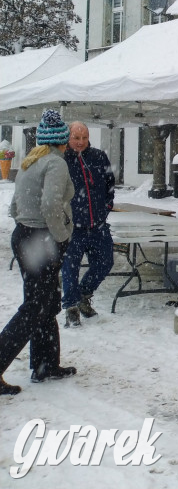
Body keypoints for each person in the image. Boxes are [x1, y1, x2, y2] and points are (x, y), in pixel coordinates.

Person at [0, 109, 78, 395]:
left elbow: (13, 207)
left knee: (44, 302)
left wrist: (31, 227)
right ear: (62, 140)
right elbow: (49, 206)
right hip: (40, 240)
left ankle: (46, 364)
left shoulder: (31, 160)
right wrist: (61, 237)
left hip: (24, 236)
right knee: (35, 306)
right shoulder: (56, 164)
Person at [61, 122, 116, 326]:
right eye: (76, 138)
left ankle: (84, 294)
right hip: (72, 227)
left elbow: (110, 183)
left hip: (98, 224)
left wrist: (107, 205)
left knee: (105, 262)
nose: (81, 142)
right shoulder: (62, 160)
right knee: (70, 268)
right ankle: (71, 307)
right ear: (68, 138)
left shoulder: (98, 156)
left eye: (84, 138)